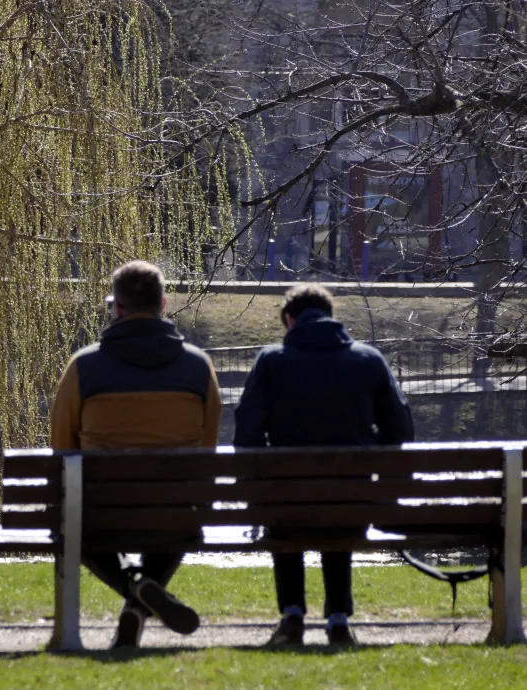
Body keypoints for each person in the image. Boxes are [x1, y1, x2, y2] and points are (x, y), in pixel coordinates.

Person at [49, 260, 222, 649]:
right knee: (180, 514)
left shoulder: (83, 367)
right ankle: (138, 601)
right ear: (163, 304)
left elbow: (62, 449)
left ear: (117, 309)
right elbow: (206, 450)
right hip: (175, 513)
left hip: (102, 513)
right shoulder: (198, 367)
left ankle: (135, 588)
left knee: (77, 525)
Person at [233, 283, 414, 646]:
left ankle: (292, 615)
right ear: (332, 318)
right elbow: (401, 428)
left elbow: (248, 433)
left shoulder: (270, 361)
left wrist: (257, 484)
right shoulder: (368, 359)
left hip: (285, 504)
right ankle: (337, 618)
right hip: (353, 503)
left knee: (285, 505)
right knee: (340, 502)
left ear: (289, 320)